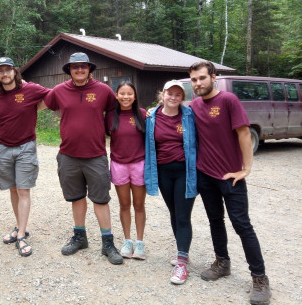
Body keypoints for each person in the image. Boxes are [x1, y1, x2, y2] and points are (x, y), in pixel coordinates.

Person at [189, 61, 271, 304]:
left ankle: (260, 278)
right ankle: (222, 262)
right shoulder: (194, 105)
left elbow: (244, 133)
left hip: (230, 177)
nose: (198, 83)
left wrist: (246, 169)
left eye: (202, 78)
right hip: (206, 175)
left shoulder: (228, 101)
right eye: (193, 80)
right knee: (215, 220)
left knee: (242, 224)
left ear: (214, 77)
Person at [44, 52, 123, 265]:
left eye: (83, 66)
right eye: (75, 66)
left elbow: (118, 111)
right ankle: (80, 237)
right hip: (68, 155)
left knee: (101, 199)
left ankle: (108, 242)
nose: (79, 70)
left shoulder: (104, 91)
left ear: (89, 69)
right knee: (76, 197)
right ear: (69, 70)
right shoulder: (59, 91)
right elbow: (44, 103)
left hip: (96, 154)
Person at [0, 57, 50, 257]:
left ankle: (21, 235)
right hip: (4, 148)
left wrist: (36, 107)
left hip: (25, 147)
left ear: (15, 71)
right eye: (0, 71)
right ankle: (19, 226)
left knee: (23, 190)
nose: (5, 74)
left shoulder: (30, 89)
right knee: (13, 189)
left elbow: (54, 96)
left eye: (8, 70)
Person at [144, 80, 198, 285]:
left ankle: (182, 263)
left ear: (182, 98)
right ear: (163, 94)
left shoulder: (189, 116)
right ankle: (182, 251)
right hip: (163, 172)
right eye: (170, 93)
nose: (173, 97)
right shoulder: (151, 117)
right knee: (174, 213)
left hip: (185, 171)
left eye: (178, 94)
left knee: (183, 216)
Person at [105, 81, 147, 260]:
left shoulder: (143, 114)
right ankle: (127, 240)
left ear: (135, 96)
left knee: (138, 205)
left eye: (129, 93)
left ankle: (139, 242)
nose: (126, 97)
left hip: (139, 164)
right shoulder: (110, 116)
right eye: (122, 93)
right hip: (119, 164)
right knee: (124, 205)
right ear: (116, 95)